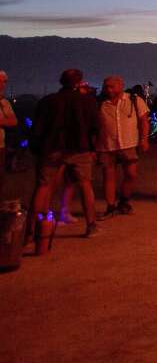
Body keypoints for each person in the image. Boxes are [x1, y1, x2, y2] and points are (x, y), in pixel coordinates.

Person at [31, 69, 101, 241]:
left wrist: (38, 149)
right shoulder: (87, 102)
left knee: (43, 186)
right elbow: (96, 127)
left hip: (53, 148)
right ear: (79, 82)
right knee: (85, 184)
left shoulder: (48, 101)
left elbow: (38, 128)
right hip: (80, 148)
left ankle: (32, 228)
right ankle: (91, 224)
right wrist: (93, 148)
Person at [95, 75, 149, 217]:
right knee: (108, 177)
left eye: (112, 86)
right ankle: (111, 207)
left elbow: (144, 121)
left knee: (131, 174)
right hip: (107, 145)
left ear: (121, 86)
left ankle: (124, 201)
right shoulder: (100, 103)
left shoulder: (134, 100)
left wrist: (144, 139)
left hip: (129, 144)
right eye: (106, 86)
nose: (109, 89)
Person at [0, 70, 18, 174]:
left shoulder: (4, 102)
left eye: (4, 82)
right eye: (0, 81)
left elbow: (13, 121)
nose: (3, 85)